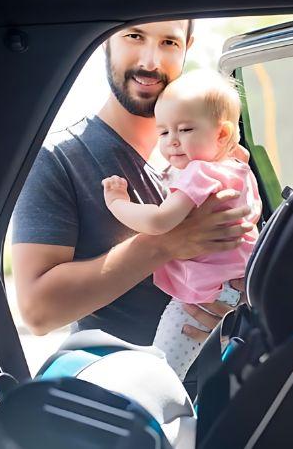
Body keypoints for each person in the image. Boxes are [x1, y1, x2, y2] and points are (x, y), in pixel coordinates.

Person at [11, 20, 253, 353]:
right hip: (120, 388)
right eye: (134, 36)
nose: (150, 61)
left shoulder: (216, 154)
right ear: (104, 40)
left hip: (222, 380)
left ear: (187, 47)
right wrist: (164, 244)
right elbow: (38, 312)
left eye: (169, 42)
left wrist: (237, 302)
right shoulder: (57, 160)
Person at [102, 70, 261, 379]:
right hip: (237, 287)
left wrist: (117, 202)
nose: (172, 143)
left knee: (164, 371)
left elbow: (159, 221)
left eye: (185, 129)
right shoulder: (237, 165)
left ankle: (158, 413)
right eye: (163, 133)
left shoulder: (201, 173)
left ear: (222, 135)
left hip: (203, 294)